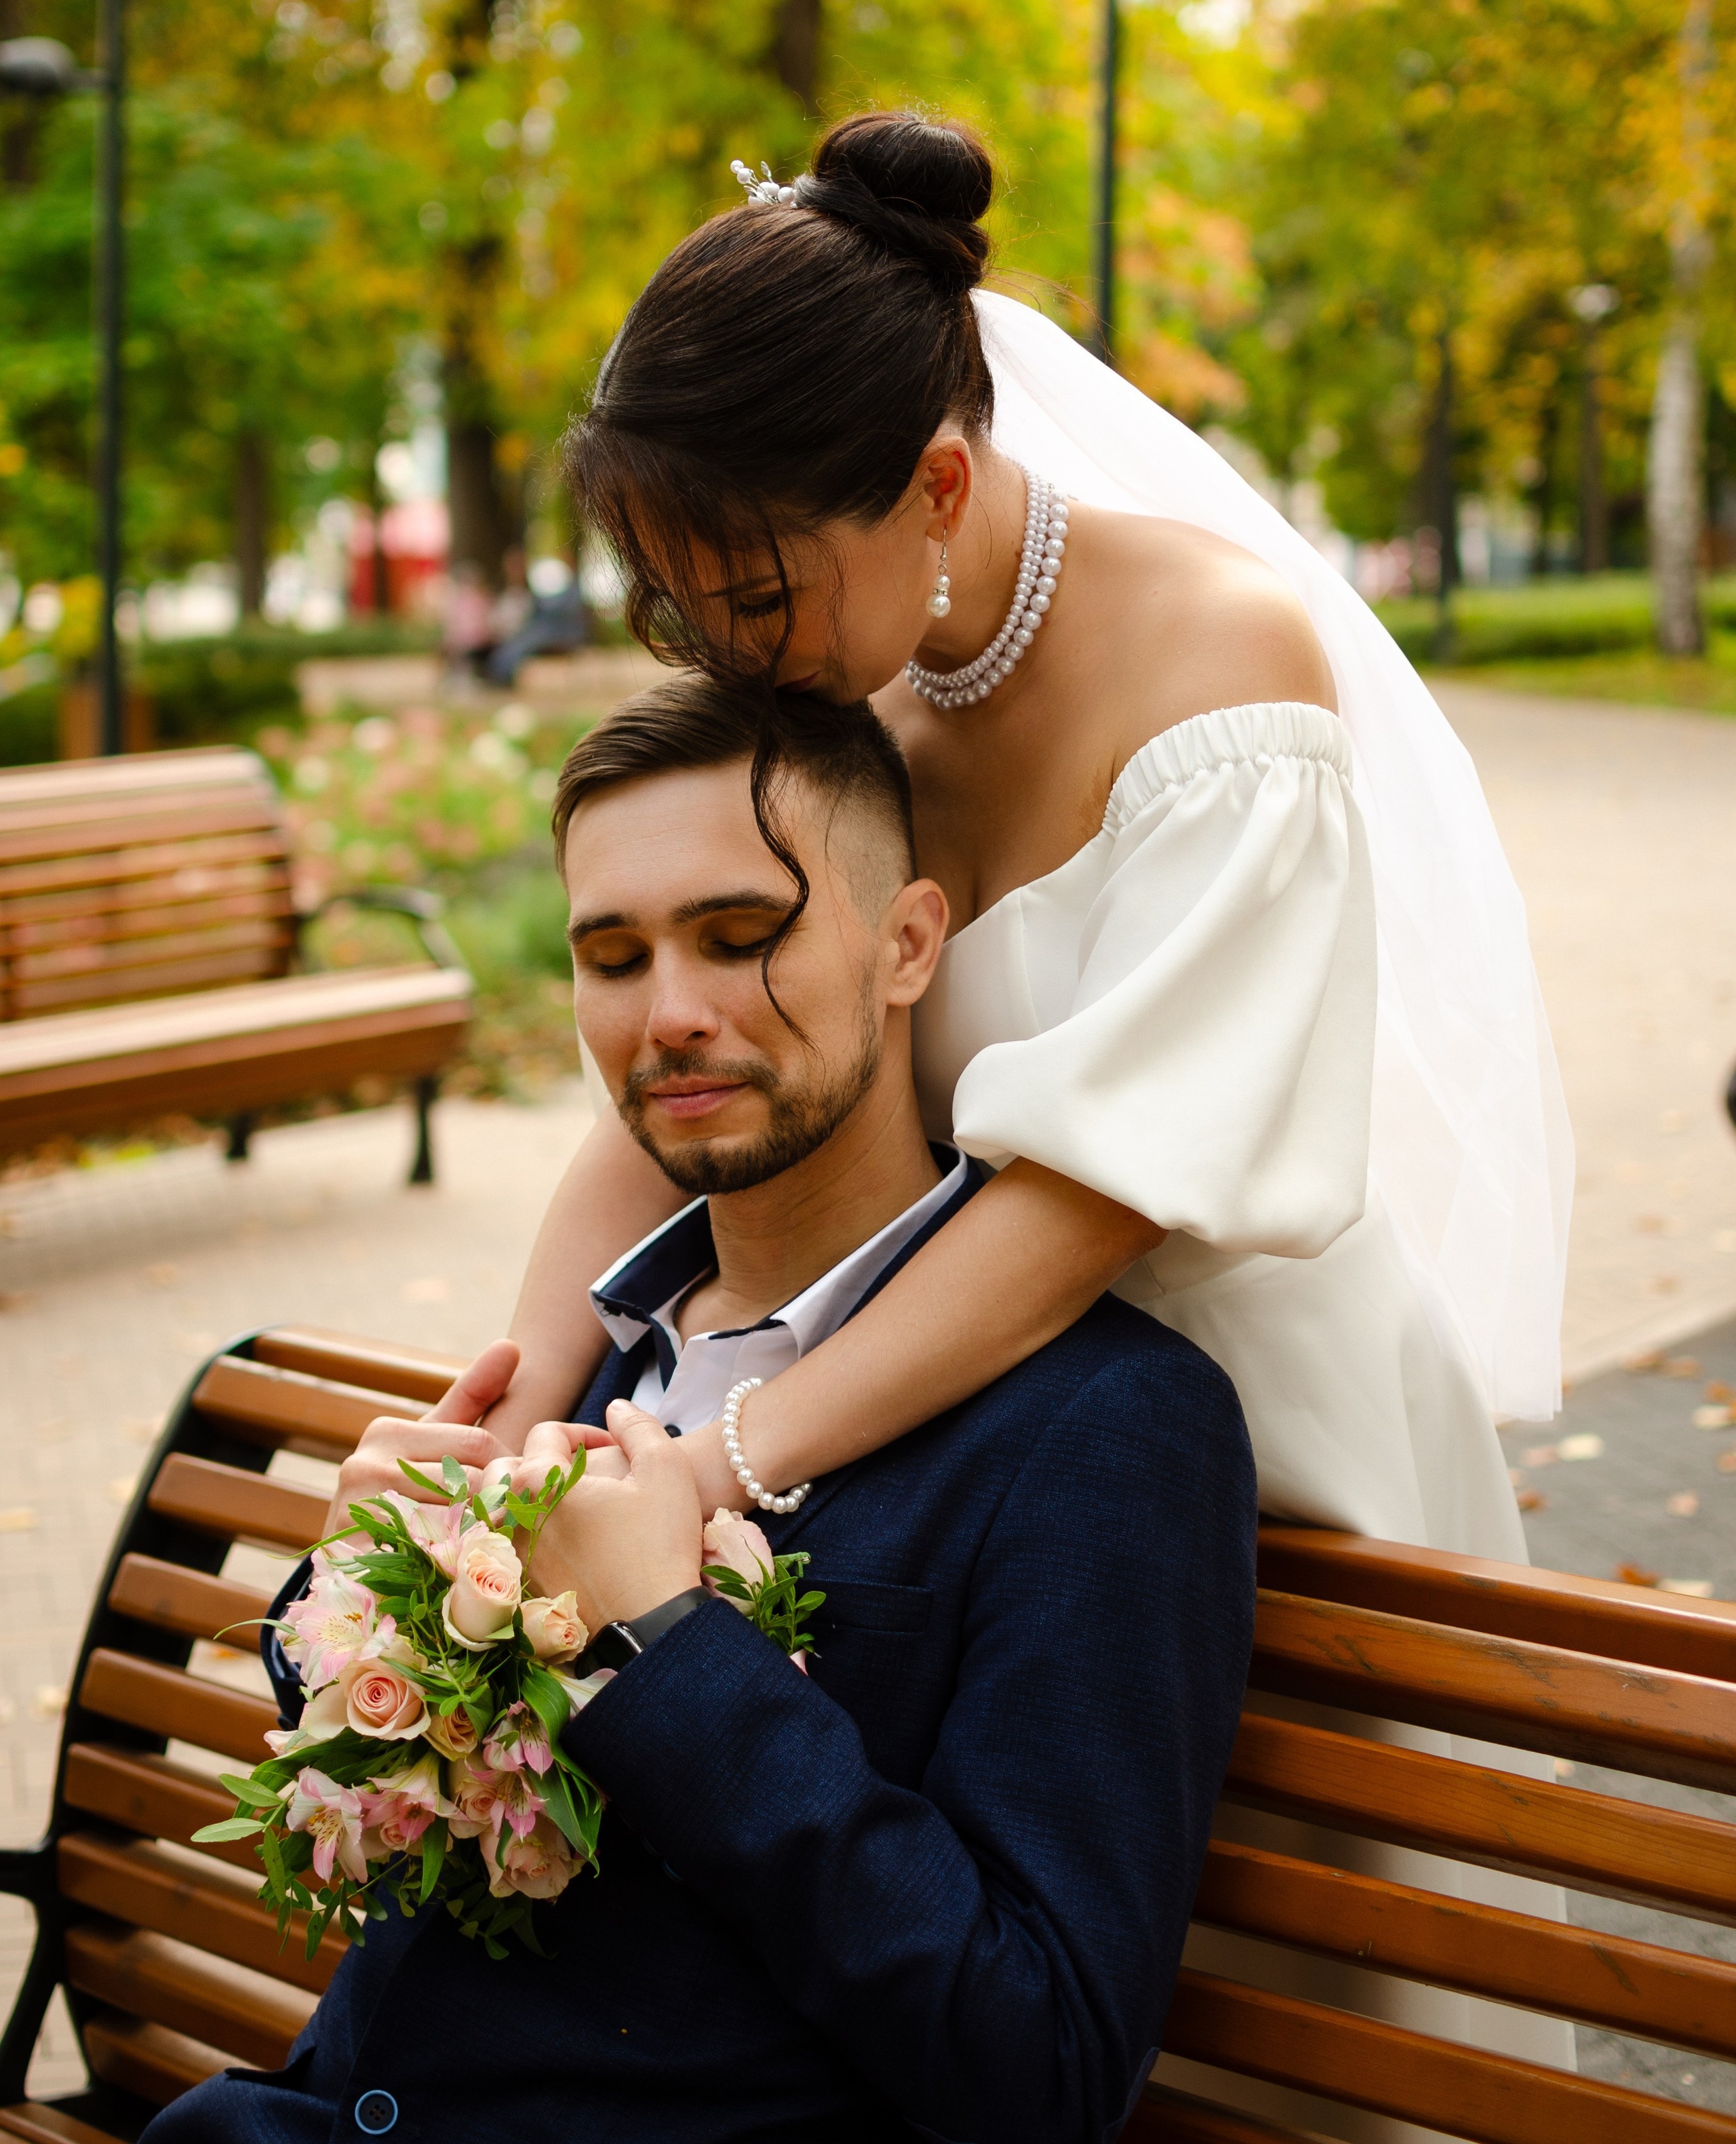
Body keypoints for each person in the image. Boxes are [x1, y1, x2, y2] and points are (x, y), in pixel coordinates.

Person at [469, 106, 1579, 2140]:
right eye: (679, 606)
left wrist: (744, 1451)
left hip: (1218, 1422)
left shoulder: (1218, 665)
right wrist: (542, 1361)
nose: (729, 653)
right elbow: (718, 1053)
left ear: (936, 484)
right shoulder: (843, 674)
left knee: (1296, 2014)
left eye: (755, 594)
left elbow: (1089, 1205)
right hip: (938, 1434)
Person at [146, 678, 1257, 2144]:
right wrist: (353, 1597)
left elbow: (1039, 2062)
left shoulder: (1107, 1427)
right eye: (612, 957)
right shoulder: (591, 1351)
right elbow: (413, 1816)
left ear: (908, 944)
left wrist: (668, 1647)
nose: (669, 1015)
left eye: (741, 937)